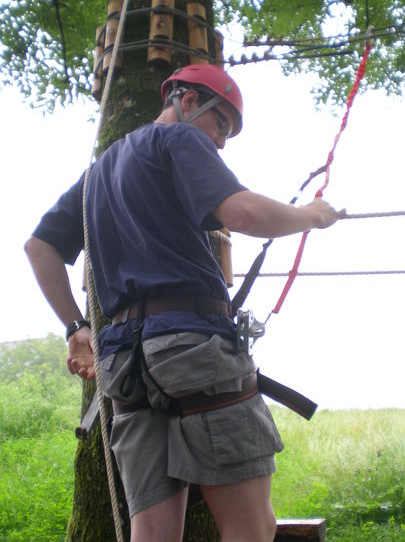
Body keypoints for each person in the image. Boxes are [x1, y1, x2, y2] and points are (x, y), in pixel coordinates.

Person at [25, 63, 345, 542]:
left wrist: (76, 327)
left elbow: (40, 247)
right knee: (249, 526)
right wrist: (312, 216)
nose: (220, 142)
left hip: (125, 366)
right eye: (221, 125)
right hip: (192, 349)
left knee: (151, 533)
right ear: (188, 100)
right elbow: (243, 212)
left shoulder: (97, 175)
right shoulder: (179, 140)